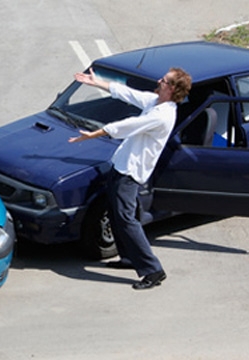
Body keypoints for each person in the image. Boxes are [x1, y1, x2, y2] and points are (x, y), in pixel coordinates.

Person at [69, 67, 192, 290]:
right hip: (121, 166)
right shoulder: (155, 101)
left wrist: (95, 134)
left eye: (163, 80)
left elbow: (128, 125)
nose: (158, 80)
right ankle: (128, 258)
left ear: (172, 88)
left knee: (126, 219)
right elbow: (127, 93)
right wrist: (96, 83)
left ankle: (153, 270)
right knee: (118, 215)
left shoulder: (162, 115)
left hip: (130, 173)